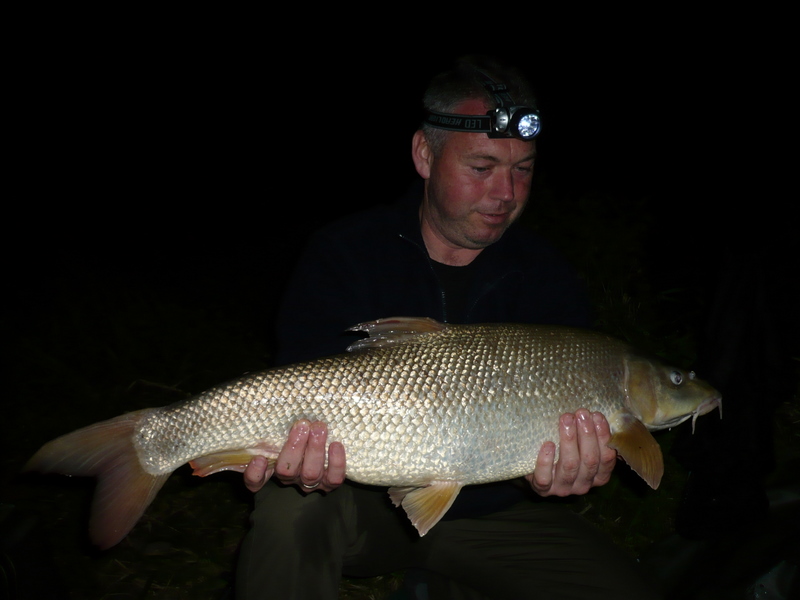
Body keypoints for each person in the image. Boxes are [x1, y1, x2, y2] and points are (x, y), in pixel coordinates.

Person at [235, 56, 660, 600]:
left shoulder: (547, 277)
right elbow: (300, 383)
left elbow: (561, 448)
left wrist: (555, 475)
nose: (506, 193)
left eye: (523, 169)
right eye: (481, 168)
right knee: (288, 515)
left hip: (493, 512)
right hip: (362, 503)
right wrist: (298, 459)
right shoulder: (345, 253)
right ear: (424, 155)